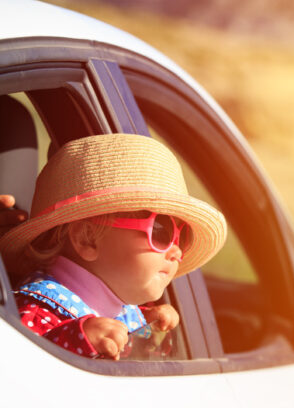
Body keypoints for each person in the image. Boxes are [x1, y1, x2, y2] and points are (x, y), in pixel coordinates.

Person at [0, 134, 227, 359]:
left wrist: (147, 324)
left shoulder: (122, 311)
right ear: (87, 239)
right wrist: (73, 340)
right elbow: (17, 367)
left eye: (182, 236)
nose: (177, 251)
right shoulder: (35, 313)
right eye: (161, 231)